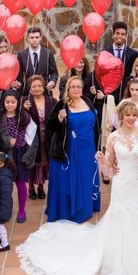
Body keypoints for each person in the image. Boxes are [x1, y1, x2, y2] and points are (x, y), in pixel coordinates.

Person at [17, 101, 138, 275]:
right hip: (122, 182)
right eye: (128, 115)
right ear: (121, 117)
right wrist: (103, 160)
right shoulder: (114, 137)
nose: (131, 118)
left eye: (134, 115)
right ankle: (116, 258)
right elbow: (109, 164)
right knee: (120, 214)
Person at [46, 76, 100, 223]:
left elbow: (95, 124)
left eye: (79, 87)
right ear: (68, 89)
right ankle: (69, 210)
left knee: (86, 177)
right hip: (70, 149)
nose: (76, 89)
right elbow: (50, 126)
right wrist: (59, 119)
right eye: (73, 87)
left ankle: (86, 207)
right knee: (70, 180)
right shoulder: (61, 105)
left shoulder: (87, 102)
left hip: (88, 148)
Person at [0, 89, 38, 223]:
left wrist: (28, 154)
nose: (10, 104)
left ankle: (21, 210)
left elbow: (32, 136)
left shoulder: (24, 116)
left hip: (20, 153)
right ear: (3, 103)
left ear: (17, 102)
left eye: (13, 102)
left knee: (20, 183)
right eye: (7, 102)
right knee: (6, 184)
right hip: (6, 155)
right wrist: (7, 140)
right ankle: (5, 209)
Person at [23, 75, 57, 200]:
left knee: (44, 162)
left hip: (46, 137)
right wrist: (24, 110)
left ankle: (41, 186)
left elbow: (54, 120)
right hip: (31, 139)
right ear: (30, 88)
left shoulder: (52, 101)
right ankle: (31, 187)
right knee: (33, 162)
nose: (36, 88)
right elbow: (20, 121)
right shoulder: (25, 101)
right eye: (34, 86)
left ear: (44, 87)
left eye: (39, 86)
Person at [14, 27, 58, 95]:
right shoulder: (21, 55)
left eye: (37, 37)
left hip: (45, 92)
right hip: (28, 93)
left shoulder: (48, 53)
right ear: (27, 39)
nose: (34, 40)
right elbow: (18, 76)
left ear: (40, 38)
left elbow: (54, 72)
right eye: (32, 37)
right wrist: (19, 87)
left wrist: (52, 81)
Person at [104, 21, 138, 102]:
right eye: (117, 33)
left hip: (126, 93)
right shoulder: (105, 53)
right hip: (109, 93)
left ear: (126, 37)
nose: (120, 36)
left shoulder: (133, 54)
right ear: (113, 35)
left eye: (123, 34)